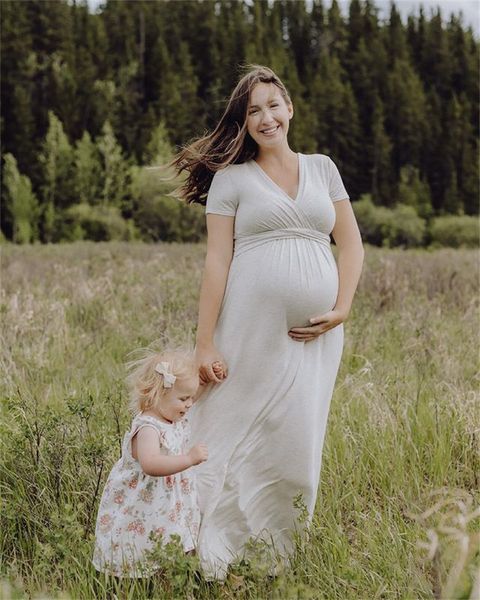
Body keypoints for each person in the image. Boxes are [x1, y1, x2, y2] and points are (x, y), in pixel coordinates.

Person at [167, 64, 365, 580]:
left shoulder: (323, 169)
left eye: (273, 105)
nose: (265, 117)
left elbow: (351, 243)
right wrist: (204, 342)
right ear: (244, 121)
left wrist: (342, 307)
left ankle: (276, 557)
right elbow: (216, 261)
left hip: (319, 335)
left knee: (298, 441)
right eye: (253, 110)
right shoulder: (232, 179)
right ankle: (207, 548)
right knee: (227, 424)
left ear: (290, 108)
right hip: (248, 329)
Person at [92, 348, 209, 578]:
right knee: (143, 539)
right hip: (144, 500)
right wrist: (188, 459)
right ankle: (135, 578)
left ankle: (171, 576)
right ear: (158, 394)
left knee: (170, 537)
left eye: (191, 398)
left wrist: (205, 379)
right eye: (184, 399)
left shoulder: (171, 415)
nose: (189, 405)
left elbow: (189, 393)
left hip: (167, 501)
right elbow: (151, 464)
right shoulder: (149, 428)